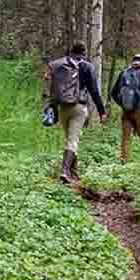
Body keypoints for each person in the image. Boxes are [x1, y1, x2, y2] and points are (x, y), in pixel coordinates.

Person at [44, 41, 106, 183]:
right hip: (79, 108)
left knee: (69, 139)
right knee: (73, 140)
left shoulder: (59, 65)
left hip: (63, 107)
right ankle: (65, 171)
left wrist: (52, 107)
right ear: (84, 53)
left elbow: (52, 88)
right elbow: (94, 91)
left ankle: (74, 173)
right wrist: (101, 111)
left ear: (71, 52)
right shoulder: (87, 67)